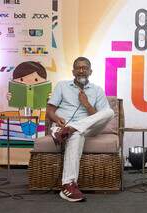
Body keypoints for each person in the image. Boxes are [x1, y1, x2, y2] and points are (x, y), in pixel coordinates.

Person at [46, 57, 114, 202]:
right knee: (77, 135)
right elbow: (50, 110)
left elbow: (100, 116)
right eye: (78, 68)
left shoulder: (97, 90)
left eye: (85, 68)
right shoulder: (62, 86)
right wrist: (57, 119)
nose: (81, 70)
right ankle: (68, 185)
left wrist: (87, 104)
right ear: (73, 71)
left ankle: (72, 129)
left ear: (90, 71)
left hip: (88, 127)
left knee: (109, 112)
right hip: (64, 126)